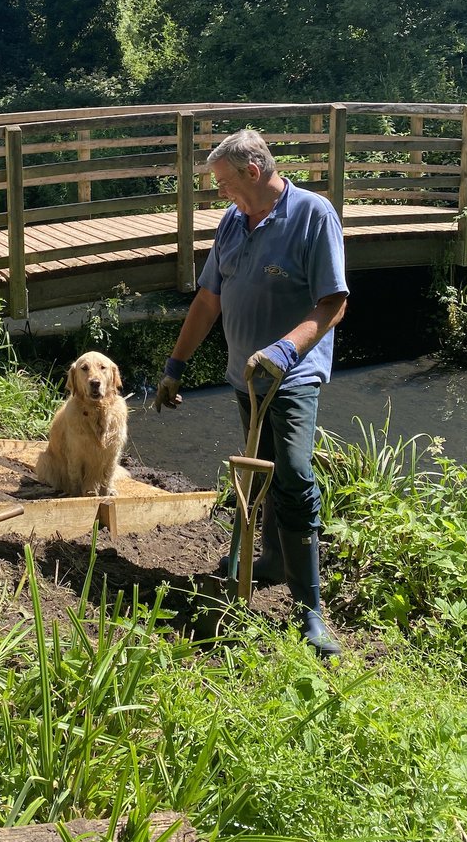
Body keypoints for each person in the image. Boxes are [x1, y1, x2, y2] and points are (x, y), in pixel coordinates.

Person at [154, 128, 348, 657]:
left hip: (291, 379)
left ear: (253, 172)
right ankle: (269, 561)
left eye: (223, 182)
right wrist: (175, 365)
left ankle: (309, 609)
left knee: (295, 475)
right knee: (258, 471)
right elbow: (208, 299)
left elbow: (333, 303)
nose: (219, 193)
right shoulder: (233, 223)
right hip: (245, 378)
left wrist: (285, 351)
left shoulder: (313, 215)